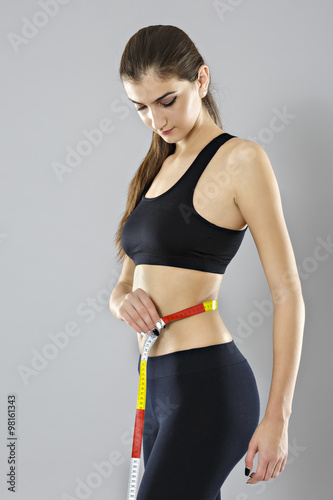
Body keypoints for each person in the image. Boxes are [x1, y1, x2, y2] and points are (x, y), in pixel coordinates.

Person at [109, 24, 305, 500]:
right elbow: (125, 282)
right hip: (153, 385)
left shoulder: (241, 160)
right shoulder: (154, 169)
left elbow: (287, 292)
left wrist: (278, 417)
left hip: (207, 387)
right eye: (142, 107)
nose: (156, 119)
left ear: (200, 79)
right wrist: (122, 304)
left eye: (167, 100)